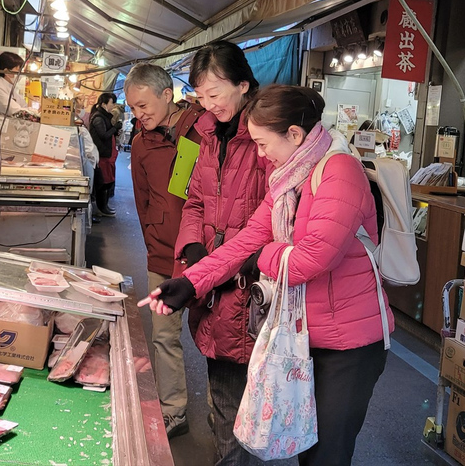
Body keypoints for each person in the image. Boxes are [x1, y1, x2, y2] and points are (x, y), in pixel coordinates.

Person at [140, 84, 394, 466]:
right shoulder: (289, 175)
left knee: (326, 454)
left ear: (294, 134)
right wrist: (191, 282)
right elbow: (247, 240)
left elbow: (308, 260)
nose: (260, 154)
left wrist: (261, 255)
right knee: (299, 443)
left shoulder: (339, 171)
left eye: (262, 143)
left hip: (349, 344)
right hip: (303, 334)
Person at [177, 41, 272, 463]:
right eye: (200, 95)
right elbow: (194, 199)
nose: (206, 104)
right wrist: (192, 244)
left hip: (249, 286)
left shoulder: (266, 137)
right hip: (212, 283)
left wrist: (242, 259)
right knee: (221, 391)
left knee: (237, 402)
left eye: (214, 94)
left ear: (243, 85)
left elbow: (279, 215)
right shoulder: (207, 135)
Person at [124, 63, 205, 438]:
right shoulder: (141, 143)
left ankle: (232, 417)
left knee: (223, 339)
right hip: (162, 256)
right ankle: (174, 411)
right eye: (133, 108)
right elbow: (142, 203)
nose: (139, 115)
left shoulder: (204, 129)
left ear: (167, 95)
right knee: (163, 335)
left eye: (144, 106)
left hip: (207, 256)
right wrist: (155, 243)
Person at [88, 92, 121, 217]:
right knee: (103, 182)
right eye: (112, 103)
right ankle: (102, 208)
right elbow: (103, 135)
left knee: (107, 181)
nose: (113, 106)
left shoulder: (104, 116)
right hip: (101, 155)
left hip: (107, 154)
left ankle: (104, 207)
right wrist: (115, 128)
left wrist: (115, 130)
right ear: (104, 104)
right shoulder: (98, 118)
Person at [74, 99, 101, 224]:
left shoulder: (80, 123)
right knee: (86, 192)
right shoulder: (75, 123)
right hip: (85, 161)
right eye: (80, 107)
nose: (82, 110)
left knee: (89, 192)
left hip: (89, 160)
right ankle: (85, 219)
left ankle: (87, 218)